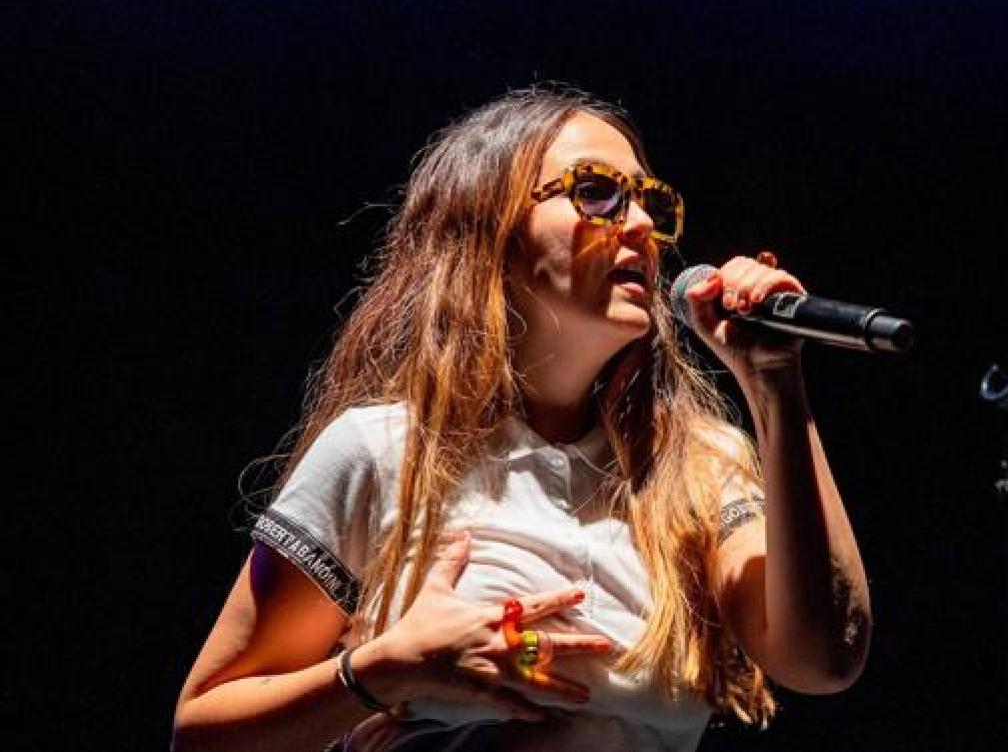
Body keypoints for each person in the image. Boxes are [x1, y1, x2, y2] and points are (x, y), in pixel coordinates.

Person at [172, 86, 871, 752]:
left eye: (650, 203)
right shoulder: (383, 450)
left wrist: (774, 381)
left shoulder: (699, 469)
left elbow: (824, 659)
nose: (640, 226)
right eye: (596, 191)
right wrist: (385, 671)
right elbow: (203, 732)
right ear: (490, 229)